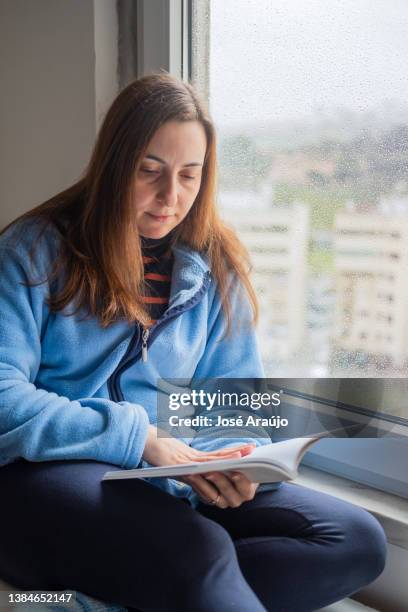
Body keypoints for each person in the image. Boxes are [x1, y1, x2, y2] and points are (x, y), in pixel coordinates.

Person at [0, 73, 386, 612]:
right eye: (149, 172)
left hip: (169, 481)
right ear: (114, 166)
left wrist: (230, 461)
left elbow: (233, 403)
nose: (170, 197)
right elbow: (4, 400)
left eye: (190, 175)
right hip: (41, 482)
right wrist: (139, 439)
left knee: (354, 539)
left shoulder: (216, 267)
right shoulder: (34, 252)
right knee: (196, 550)